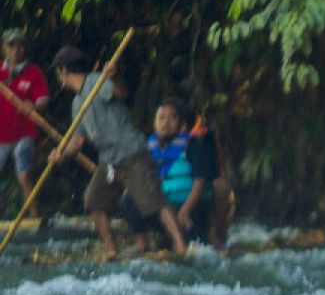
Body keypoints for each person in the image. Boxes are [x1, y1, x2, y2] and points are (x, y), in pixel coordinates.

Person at [49, 46, 187, 258]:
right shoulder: (77, 103)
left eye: (58, 73)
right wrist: (61, 154)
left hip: (131, 152)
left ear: (63, 71)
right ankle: (111, 249)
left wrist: (113, 77)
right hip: (109, 160)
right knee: (94, 201)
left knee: (152, 200)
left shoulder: (96, 80)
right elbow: (78, 140)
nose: (59, 77)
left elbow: (121, 91)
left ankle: (180, 245)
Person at [126, 98, 218, 250]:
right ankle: (142, 243)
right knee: (129, 199)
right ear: (155, 124)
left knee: (193, 241)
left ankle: (189, 238)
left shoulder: (194, 145)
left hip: (189, 209)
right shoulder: (147, 148)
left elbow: (199, 182)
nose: (166, 123)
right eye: (161, 118)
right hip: (161, 209)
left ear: (182, 125)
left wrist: (184, 211)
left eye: (172, 118)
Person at [0, 29, 50, 216]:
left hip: (25, 133)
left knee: (24, 174)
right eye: (11, 45)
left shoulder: (34, 73)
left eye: (20, 45)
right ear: (4, 48)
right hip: (1, 135)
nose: (16, 50)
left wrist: (34, 106)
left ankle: (34, 216)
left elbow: (43, 99)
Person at [189, 113, 235, 249]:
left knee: (221, 188)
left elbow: (217, 172)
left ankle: (218, 234)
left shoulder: (208, 139)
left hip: (209, 190)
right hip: (189, 193)